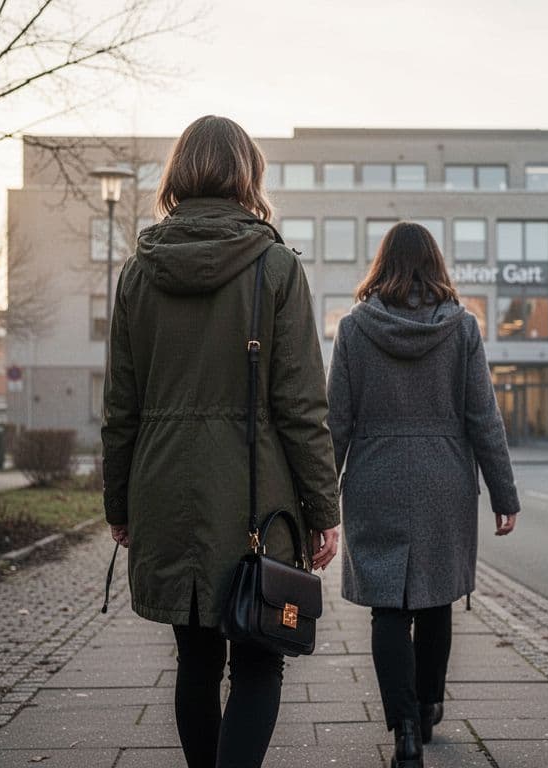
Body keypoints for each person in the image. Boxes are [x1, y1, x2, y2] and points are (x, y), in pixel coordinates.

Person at [102, 115, 341, 768]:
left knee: (196, 659)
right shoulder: (275, 268)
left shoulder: (136, 274)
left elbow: (119, 406)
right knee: (261, 664)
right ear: (248, 174)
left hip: (164, 491)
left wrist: (118, 502)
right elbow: (301, 407)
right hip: (257, 500)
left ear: (177, 174)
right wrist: (324, 513)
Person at [327, 222, 520, 768]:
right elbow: (483, 417)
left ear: (381, 265)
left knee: (388, 610)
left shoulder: (354, 329)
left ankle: (405, 731)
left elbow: (336, 422)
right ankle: (431, 702)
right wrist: (504, 493)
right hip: (444, 481)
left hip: (376, 479)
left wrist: (318, 503)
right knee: (437, 600)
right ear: (436, 265)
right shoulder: (462, 329)